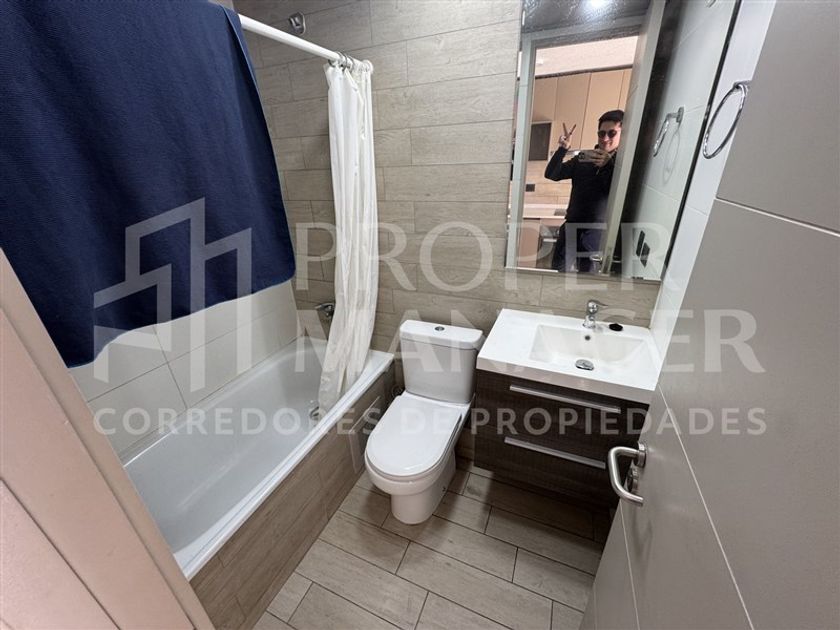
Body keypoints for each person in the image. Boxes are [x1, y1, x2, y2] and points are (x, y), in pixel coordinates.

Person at [544, 109, 623, 272]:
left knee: (587, 276)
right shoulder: (583, 158)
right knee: (558, 271)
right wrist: (563, 149)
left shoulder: (621, 165)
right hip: (571, 226)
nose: (605, 138)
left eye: (612, 133)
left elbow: (614, 192)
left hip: (596, 232)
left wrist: (609, 165)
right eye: (601, 133)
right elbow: (552, 174)